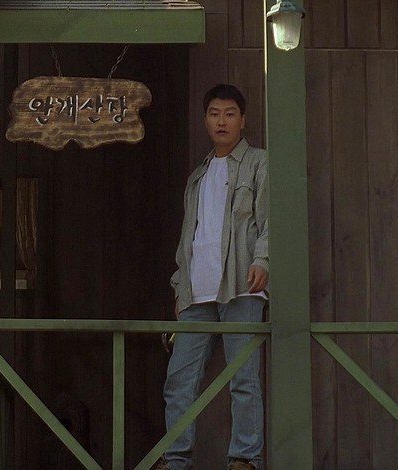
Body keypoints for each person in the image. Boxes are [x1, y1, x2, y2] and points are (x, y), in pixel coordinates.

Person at [156, 84, 268, 470]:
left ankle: (244, 460)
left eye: (230, 114)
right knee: (179, 381)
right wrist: (179, 286)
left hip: (242, 287)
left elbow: (271, 220)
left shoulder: (259, 163)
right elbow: (189, 237)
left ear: (243, 120)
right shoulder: (198, 177)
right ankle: (176, 460)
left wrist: (263, 260)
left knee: (243, 379)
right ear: (205, 120)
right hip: (196, 294)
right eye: (215, 114)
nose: (222, 121)